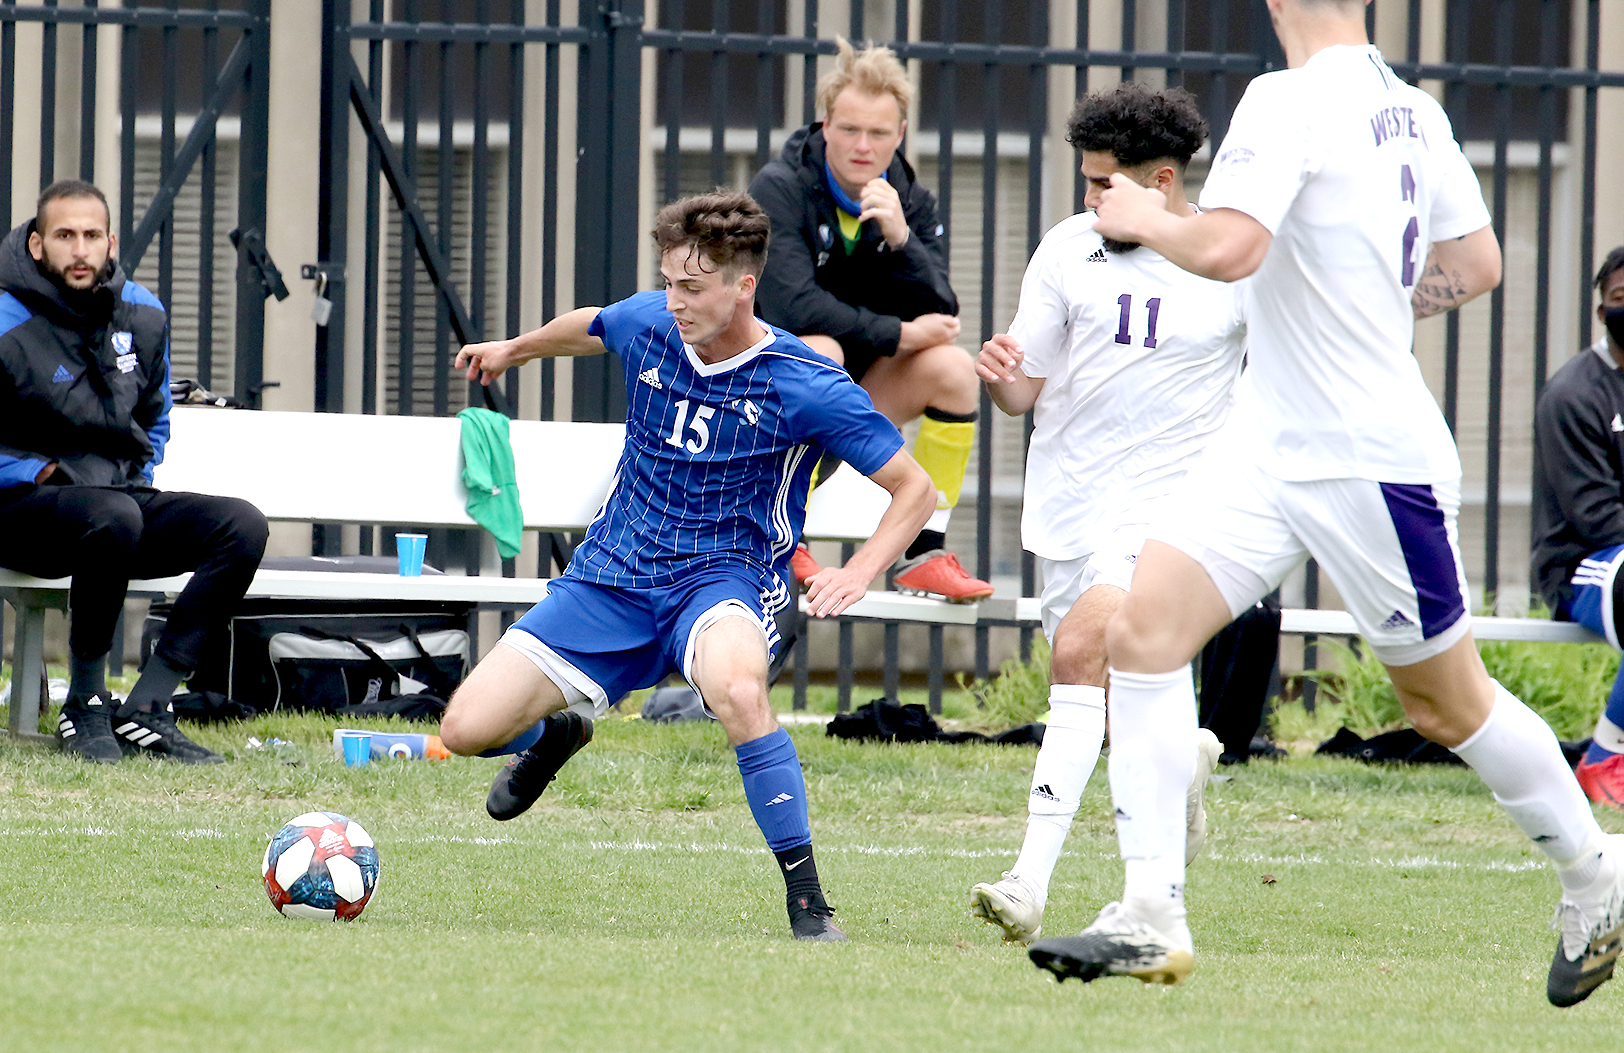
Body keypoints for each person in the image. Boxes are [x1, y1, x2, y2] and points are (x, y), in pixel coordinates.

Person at [1027, 0, 1623, 1012]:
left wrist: (1143, 216)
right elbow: (1476, 267)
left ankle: (1596, 878)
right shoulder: (1411, 109)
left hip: (1363, 454)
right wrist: (1375, 308)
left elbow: (1228, 249)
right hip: (1266, 442)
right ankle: (1150, 912)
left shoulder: (1286, 97)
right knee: (1142, 636)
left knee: (1446, 704)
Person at [438, 191, 937, 941]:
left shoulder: (804, 383)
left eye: (692, 287)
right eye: (669, 281)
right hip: (613, 570)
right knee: (465, 729)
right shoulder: (655, 321)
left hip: (724, 578)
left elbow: (914, 488)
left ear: (744, 286)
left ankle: (808, 901)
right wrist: (515, 349)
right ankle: (556, 736)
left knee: (738, 691)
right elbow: (593, 325)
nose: (673, 301)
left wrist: (859, 570)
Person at [967, 84, 1242, 946]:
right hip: (1071, 504)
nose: (1088, 200)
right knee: (1120, 703)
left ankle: (1029, 880)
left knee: (1084, 648)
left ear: (1161, 182)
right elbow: (1024, 393)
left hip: (1170, 510)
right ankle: (1183, 773)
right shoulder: (1067, 248)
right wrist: (1000, 369)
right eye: (1084, 183)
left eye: (1101, 185)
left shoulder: (1232, 264)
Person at [0, 179, 267, 765]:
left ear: (110, 242)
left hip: (116, 509)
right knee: (111, 513)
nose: (81, 249)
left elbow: (155, 417)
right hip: (17, 517)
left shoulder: (143, 313)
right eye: (65, 235)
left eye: (92, 236)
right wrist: (32, 471)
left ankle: (148, 707)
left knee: (240, 525)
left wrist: (135, 471)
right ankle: (85, 702)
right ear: (37, 245)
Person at [747, 40, 991, 603]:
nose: (863, 146)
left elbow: (943, 310)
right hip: (768, 401)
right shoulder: (778, 189)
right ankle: (783, 536)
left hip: (855, 397)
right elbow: (792, 308)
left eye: (878, 134)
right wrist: (899, 335)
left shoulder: (909, 200)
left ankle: (926, 551)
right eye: (850, 129)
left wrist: (903, 240)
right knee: (819, 350)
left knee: (954, 369)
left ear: (899, 135)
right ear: (825, 125)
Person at [1531, 244, 1624, 810]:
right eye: (1621, 299)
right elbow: (1595, 517)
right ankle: (1604, 757)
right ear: (1601, 312)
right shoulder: (1574, 393)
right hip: (1583, 563)